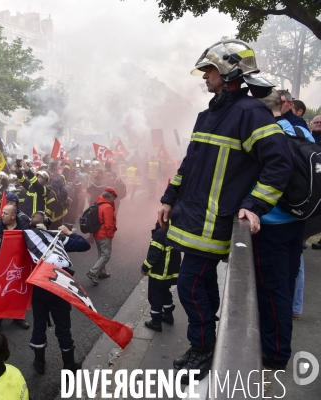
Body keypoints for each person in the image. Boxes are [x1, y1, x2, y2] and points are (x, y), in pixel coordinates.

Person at [158, 39, 292, 383]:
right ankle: (206, 342)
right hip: (194, 218)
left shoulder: (250, 113)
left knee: (188, 285)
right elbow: (189, 164)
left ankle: (202, 348)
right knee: (198, 283)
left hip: (215, 222)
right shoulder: (210, 114)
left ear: (231, 71)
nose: (205, 76)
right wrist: (168, 197)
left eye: (211, 69)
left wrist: (254, 205)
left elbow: (279, 164)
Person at [252, 88, 314, 370]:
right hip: (298, 220)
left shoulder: (267, 134)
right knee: (285, 285)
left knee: (272, 290)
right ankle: (278, 342)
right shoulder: (301, 132)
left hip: (272, 222)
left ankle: (275, 354)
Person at [27, 214, 90, 374]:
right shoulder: (57, 239)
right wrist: (68, 232)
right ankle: (69, 366)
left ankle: (39, 363)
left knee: (39, 325)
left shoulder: (26, 239)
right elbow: (84, 245)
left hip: (39, 288)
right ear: (48, 224)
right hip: (58, 287)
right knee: (63, 326)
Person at [0, 205, 30, 333]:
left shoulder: (24, 229)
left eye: (6, 214)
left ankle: (17, 317)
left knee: (17, 294)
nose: (2, 215)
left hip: (17, 269)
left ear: (13, 216)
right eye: (2, 213)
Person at [140, 222, 181, 332]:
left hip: (159, 273)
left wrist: (145, 267)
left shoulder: (161, 233)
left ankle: (156, 322)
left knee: (154, 296)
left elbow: (154, 254)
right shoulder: (175, 230)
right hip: (170, 272)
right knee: (165, 293)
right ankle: (168, 316)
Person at [86, 188, 117, 285]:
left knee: (101, 254)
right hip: (104, 234)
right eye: (113, 197)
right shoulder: (107, 207)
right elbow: (109, 224)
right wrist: (110, 235)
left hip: (97, 233)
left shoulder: (99, 202)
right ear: (109, 196)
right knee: (106, 255)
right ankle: (93, 272)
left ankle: (102, 273)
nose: (114, 200)